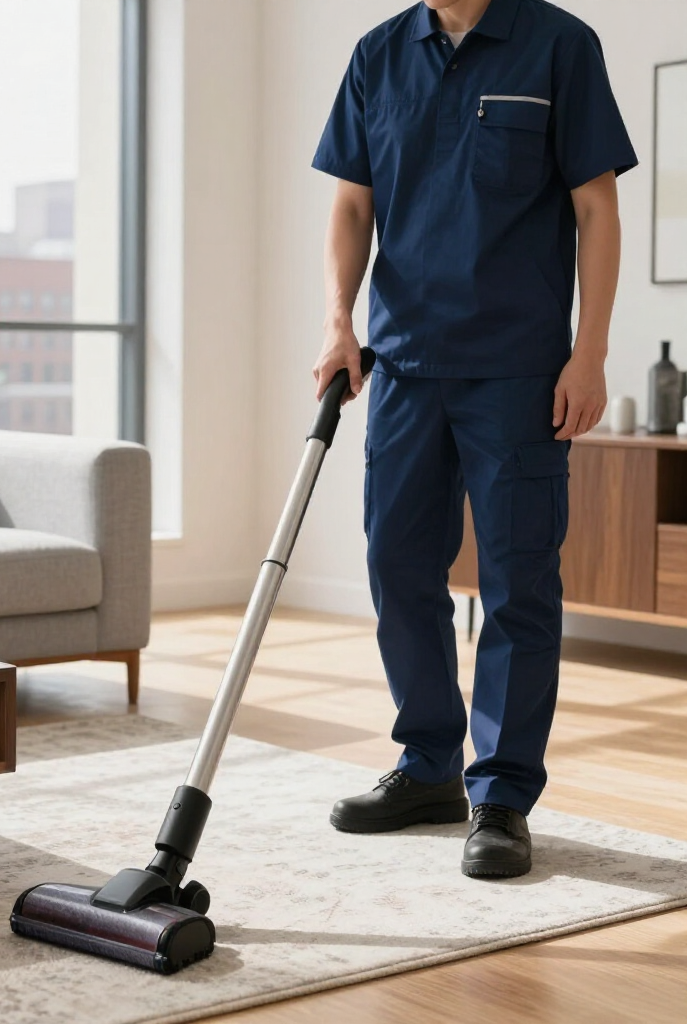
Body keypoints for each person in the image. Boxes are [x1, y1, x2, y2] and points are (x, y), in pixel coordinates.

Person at [311, 0, 637, 878]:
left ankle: (499, 793)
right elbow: (352, 204)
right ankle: (428, 769)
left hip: (519, 371)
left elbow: (597, 210)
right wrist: (340, 323)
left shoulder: (561, 46)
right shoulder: (378, 55)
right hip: (406, 365)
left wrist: (591, 353)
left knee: (517, 580)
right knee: (397, 566)